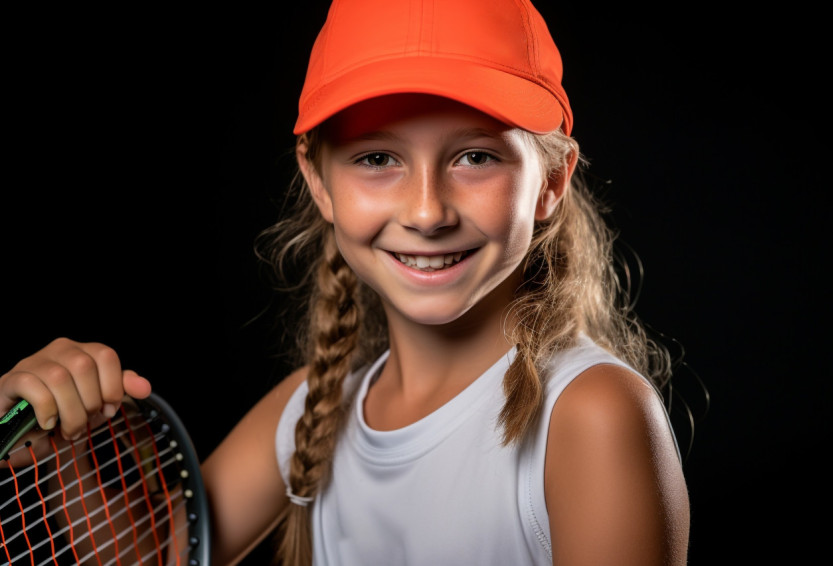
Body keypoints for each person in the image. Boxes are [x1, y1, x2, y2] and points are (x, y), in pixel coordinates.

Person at [0, 0, 691, 564]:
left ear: (551, 182)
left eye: (475, 155)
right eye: (378, 157)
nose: (425, 211)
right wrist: (67, 449)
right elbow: (163, 556)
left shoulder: (593, 414)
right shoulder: (314, 406)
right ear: (319, 182)